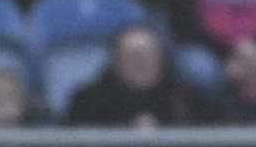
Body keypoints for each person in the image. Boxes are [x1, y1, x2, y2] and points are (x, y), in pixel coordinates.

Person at [64, 22, 204, 127]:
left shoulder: (188, 99)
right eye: (131, 56)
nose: (140, 63)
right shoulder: (87, 102)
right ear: (115, 60)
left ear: (161, 58)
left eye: (147, 55)